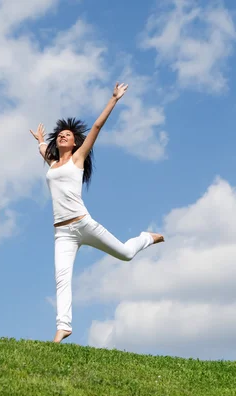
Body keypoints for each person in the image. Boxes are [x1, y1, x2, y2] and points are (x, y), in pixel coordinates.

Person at [29, 82, 164, 343]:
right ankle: (63, 328)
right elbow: (43, 149)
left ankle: (146, 237)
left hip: (83, 224)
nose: (62, 137)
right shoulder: (53, 162)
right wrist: (40, 140)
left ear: (76, 141)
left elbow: (98, 127)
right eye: (60, 135)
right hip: (62, 233)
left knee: (125, 254)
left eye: (67, 135)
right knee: (62, 279)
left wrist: (113, 99)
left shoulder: (79, 158)